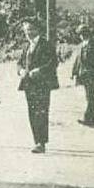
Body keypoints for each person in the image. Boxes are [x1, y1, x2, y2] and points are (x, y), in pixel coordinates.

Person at [17, 19, 59, 154]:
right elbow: (19, 63)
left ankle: (41, 142)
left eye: (31, 29)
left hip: (42, 84)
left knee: (41, 112)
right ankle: (36, 140)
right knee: (32, 112)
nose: (28, 33)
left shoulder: (46, 45)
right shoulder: (26, 46)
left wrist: (40, 70)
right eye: (26, 30)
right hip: (29, 84)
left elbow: (53, 63)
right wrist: (21, 70)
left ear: (37, 30)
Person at [72, 25, 94, 128]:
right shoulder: (83, 45)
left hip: (92, 75)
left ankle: (90, 120)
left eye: (82, 33)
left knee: (90, 97)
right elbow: (78, 61)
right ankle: (92, 120)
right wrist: (74, 73)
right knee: (90, 97)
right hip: (85, 75)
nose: (81, 36)